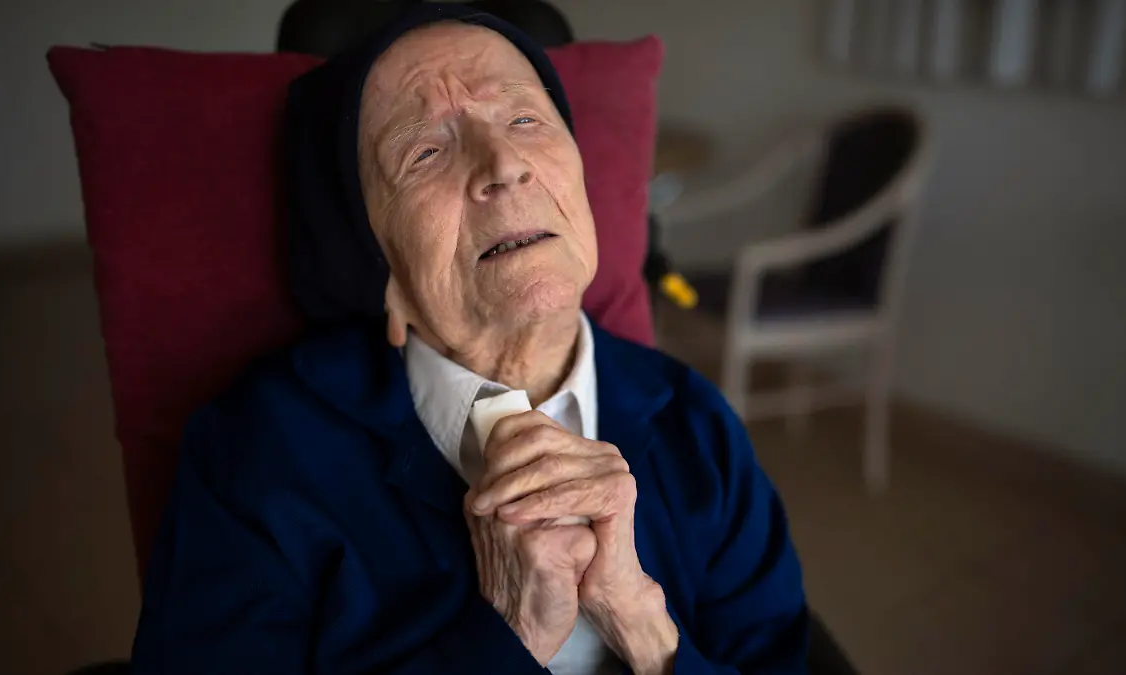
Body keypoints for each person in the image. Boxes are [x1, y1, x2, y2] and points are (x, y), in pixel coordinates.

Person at [131, 4, 808, 674]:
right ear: (372, 259)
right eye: (426, 150)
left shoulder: (696, 425)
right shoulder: (260, 453)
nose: (504, 165)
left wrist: (642, 623)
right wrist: (507, 634)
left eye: (524, 119)